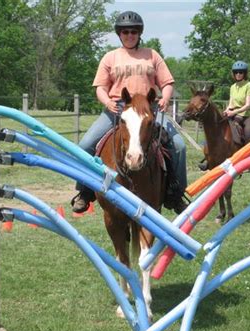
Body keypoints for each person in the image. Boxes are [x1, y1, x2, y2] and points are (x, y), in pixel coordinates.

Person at [71, 10, 187, 214]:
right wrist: (107, 102)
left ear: (139, 33)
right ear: (119, 34)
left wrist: (166, 97)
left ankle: (175, 194)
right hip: (117, 107)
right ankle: (85, 192)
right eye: (125, 32)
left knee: (179, 146)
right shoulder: (110, 57)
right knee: (85, 145)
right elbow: (100, 87)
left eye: (133, 31)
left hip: (147, 109)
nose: (129, 35)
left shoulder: (152, 55)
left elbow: (167, 82)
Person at [223, 60, 250, 145]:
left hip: (249, 115)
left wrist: (233, 112)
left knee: (248, 133)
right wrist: (227, 110)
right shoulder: (232, 87)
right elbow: (231, 103)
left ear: (245, 74)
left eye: (241, 72)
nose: (238, 74)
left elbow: (248, 105)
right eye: (236, 72)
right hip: (236, 114)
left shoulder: (249, 85)